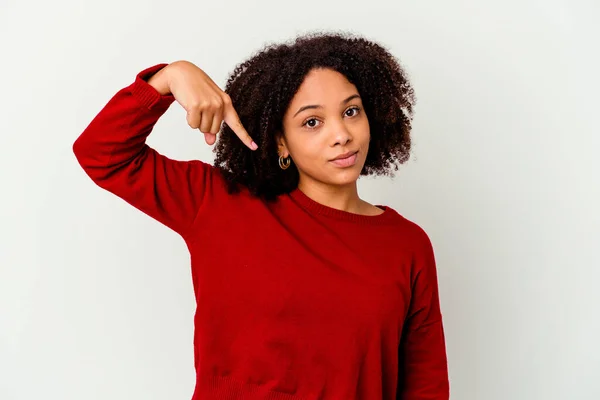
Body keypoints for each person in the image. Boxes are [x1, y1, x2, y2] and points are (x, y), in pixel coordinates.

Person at [73, 32, 449, 400]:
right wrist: (169, 78)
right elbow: (102, 154)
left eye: (351, 112)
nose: (341, 134)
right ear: (280, 140)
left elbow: (426, 385)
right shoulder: (218, 202)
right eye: (312, 122)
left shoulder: (405, 244)